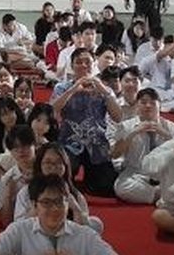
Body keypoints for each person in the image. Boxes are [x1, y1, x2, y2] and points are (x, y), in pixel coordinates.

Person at [0, 175, 115, 255]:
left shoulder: (84, 235)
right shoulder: (19, 230)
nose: (55, 209)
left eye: (59, 202)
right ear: (34, 205)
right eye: (46, 202)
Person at [51, 48, 122, 195]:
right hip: (69, 142)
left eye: (87, 62)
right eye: (78, 62)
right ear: (72, 66)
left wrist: (103, 90)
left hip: (97, 143)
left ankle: (91, 180)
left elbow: (118, 117)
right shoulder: (62, 87)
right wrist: (73, 89)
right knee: (58, 183)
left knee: (106, 188)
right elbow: (52, 111)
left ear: (94, 64)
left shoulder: (104, 89)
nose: (83, 66)